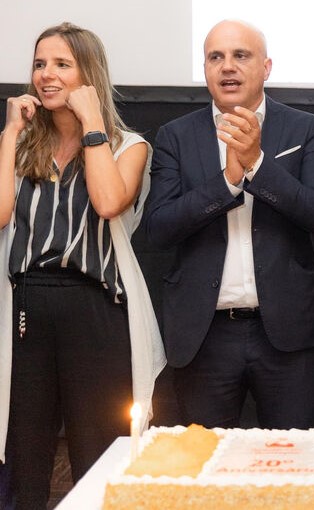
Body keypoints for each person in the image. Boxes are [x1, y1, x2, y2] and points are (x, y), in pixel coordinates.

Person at [0, 22, 165, 508]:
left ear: (88, 74)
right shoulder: (20, 145)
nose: (46, 75)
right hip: (28, 308)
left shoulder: (127, 145)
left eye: (61, 64)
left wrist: (92, 120)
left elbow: (109, 201)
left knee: (99, 453)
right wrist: (10, 134)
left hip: (95, 309)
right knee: (25, 454)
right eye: (39, 64)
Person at [143, 20, 314, 430]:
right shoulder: (176, 136)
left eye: (240, 55)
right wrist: (229, 182)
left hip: (287, 333)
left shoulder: (305, 128)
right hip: (205, 334)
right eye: (216, 57)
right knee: (208, 460)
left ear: (266, 67)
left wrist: (258, 166)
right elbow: (159, 229)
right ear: (205, 69)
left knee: (291, 457)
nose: (227, 66)